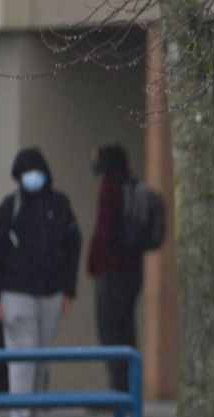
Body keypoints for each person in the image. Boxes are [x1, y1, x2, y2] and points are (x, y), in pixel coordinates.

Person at [0, 147, 82, 417]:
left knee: (40, 358)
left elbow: (73, 246)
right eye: (25, 173)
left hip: (50, 294)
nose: (31, 178)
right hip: (15, 294)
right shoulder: (9, 208)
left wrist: (68, 290)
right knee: (24, 356)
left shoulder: (60, 206)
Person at [86, 144, 142, 393]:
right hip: (131, 270)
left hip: (112, 270)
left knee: (110, 331)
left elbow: (104, 232)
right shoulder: (131, 185)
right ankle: (129, 387)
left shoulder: (110, 188)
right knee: (126, 329)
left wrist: (93, 264)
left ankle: (118, 389)